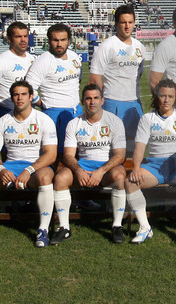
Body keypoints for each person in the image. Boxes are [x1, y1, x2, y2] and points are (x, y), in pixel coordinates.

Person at [0, 81, 58, 248]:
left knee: (45, 177)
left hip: (35, 168)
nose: (19, 98)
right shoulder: (3, 121)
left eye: (23, 94)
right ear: (12, 98)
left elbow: (51, 154)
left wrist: (29, 170)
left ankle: (42, 230)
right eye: (16, 95)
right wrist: (1, 169)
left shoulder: (44, 119)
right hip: (10, 167)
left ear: (31, 97)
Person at [124, 79, 176, 244]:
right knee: (130, 182)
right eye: (162, 96)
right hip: (155, 166)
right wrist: (136, 168)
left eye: (170, 96)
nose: (166, 100)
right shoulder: (147, 118)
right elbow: (140, 147)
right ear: (156, 96)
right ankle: (145, 228)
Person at [51, 84, 128, 245]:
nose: (92, 102)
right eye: (88, 98)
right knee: (61, 178)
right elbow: (68, 155)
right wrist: (78, 170)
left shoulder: (114, 121)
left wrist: (101, 171)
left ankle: (117, 226)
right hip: (83, 166)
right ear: (82, 102)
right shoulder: (74, 123)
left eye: (95, 98)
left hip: (106, 167)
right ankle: (64, 227)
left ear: (102, 100)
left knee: (120, 176)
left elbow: (120, 155)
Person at [89, 5, 145, 153]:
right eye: (123, 22)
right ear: (116, 24)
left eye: (130, 22)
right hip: (112, 102)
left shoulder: (140, 47)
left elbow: (139, 75)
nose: (127, 26)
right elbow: (95, 79)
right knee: (110, 147)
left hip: (134, 103)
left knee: (134, 147)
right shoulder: (107, 46)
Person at [25, 23, 82, 153]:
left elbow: (77, 80)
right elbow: (28, 88)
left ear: (69, 41)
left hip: (76, 111)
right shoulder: (43, 61)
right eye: (55, 40)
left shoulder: (74, 57)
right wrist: (40, 103)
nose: (59, 44)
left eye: (63, 40)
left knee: (78, 150)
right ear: (49, 41)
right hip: (54, 113)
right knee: (58, 152)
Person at [0, 21, 36, 119]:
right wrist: (0, 102)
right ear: (9, 39)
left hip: (30, 112)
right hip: (9, 112)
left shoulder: (32, 59)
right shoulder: (1, 61)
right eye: (18, 37)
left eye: (25, 36)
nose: (23, 40)